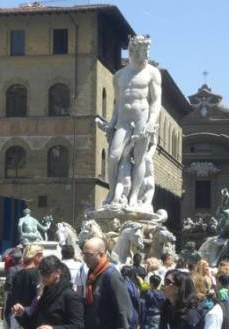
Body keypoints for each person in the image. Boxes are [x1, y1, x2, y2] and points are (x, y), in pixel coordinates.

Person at [104, 34, 162, 209]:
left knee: (139, 159)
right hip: (122, 120)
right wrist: (111, 122)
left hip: (141, 120)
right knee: (113, 157)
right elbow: (117, 102)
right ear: (134, 51)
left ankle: (134, 197)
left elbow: (156, 100)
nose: (147, 54)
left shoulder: (152, 72)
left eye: (148, 50)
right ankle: (112, 193)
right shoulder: (119, 75)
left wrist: (151, 121)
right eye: (144, 50)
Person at [13, 255, 84, 329]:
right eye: (41, 273)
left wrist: (53, 328)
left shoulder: (70, 296)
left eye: (47, 273)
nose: (43, 277)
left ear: (57, 272)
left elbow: (78, 326)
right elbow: (35, 323)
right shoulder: (46, 293)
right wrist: (22, 314)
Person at [82, 237, 132, 329]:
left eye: (89, 255)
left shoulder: (111, 276)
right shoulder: (92, 274)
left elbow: (124, 310)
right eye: (84, 254)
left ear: (101, 255)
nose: (85, 259)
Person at [8, 244, 43, 329]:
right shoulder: (38, 274)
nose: (42, 257)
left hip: (17, 313)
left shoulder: (19, 274)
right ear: (34, 256)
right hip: (32, 315)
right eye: (40, 255)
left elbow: (12, 295)